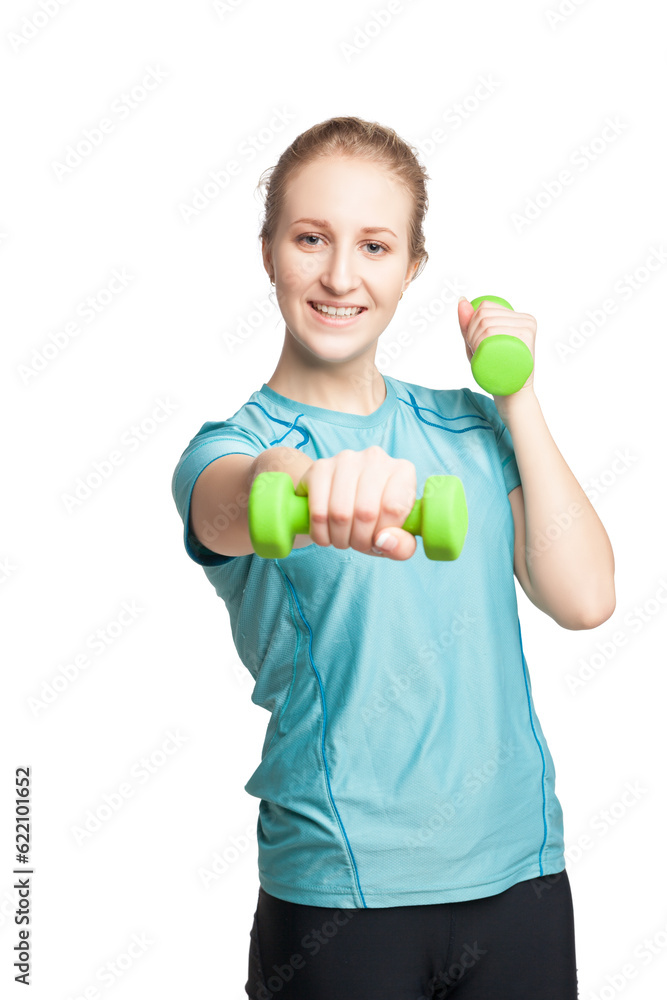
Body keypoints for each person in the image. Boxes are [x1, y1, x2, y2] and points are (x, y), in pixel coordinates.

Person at [171, 116, 615, 1000]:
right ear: (268, 253)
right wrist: (293, 484)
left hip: (518, 874)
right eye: (311, 239)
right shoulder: (230, 445)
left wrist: (515, 395)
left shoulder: (469, 426)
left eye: (373, 245)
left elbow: (585, 597)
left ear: (410, 268)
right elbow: (230, 505)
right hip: (339, 895)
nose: (340, 275)